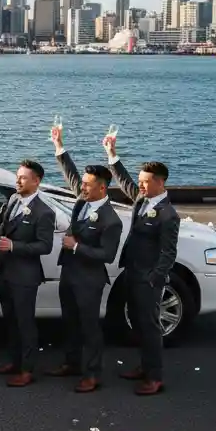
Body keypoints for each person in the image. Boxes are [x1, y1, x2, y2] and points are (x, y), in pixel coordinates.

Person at [104, 134, 179, 396]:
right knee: (137, 323)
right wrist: (112, 154)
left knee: (149, 326)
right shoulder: (144, 200)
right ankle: (144, 366)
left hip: (147, 279)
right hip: (132, 272)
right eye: (140, 182)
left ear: (160, 183)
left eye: (146, 182)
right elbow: (124, 181)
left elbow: (169, 253)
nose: (141, 186)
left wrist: (154, 279)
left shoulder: (168, 215)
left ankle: (155, 377)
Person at [49, 125, 122, 393]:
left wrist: (76, 246)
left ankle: (92, 374)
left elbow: (107, 254)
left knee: (90, 327)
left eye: (88, 185)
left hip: (89, 279)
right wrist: (59, 146)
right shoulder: (83, 200)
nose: (82, 187)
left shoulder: (110, 220)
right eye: (83, 184)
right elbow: (71, 176)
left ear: (102, 188)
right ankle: (72, 363)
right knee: (70, 322)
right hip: (69, 274)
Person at [0, 160, 56, 387]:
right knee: (11, 320)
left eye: (23, 178)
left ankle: (27, 369)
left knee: (25, 323)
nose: (18, 181)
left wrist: (14, 247)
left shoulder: (44, 212)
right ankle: (13, 361)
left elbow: (45, 246)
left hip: (25, 275)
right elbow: (5, 228)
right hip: (5, 270)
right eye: (18, 176)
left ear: (36, 181)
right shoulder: (14, 200)